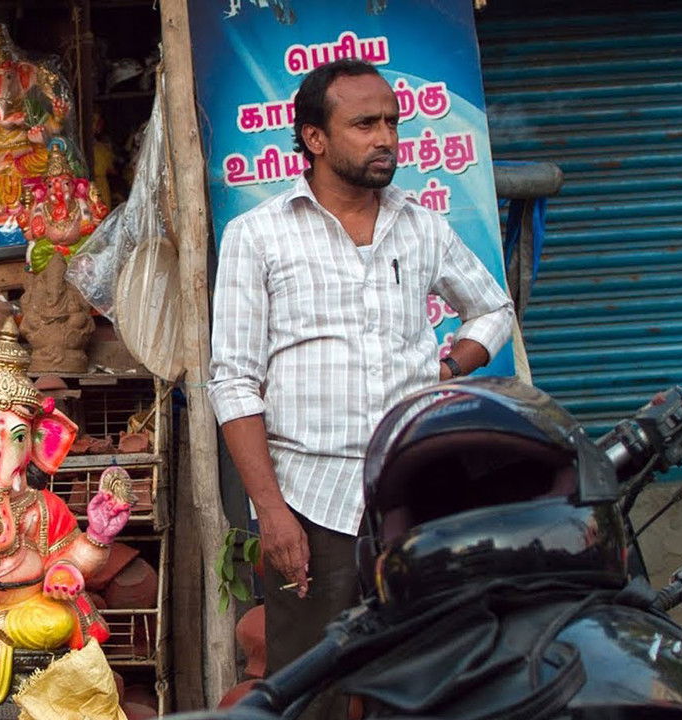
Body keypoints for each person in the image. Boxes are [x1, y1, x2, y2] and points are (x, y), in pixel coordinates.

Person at [207, 58, 515, 708]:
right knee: (309, 689)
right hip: (312, 506)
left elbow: (492, 308)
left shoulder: (421, 225)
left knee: (423, 677)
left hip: (413, 492)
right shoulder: (256, 237)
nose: (385, 138)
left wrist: (451, 366)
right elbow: (234, 383)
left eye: (392, 123)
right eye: (365, 124)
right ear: (314, 138)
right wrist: (273, 515)